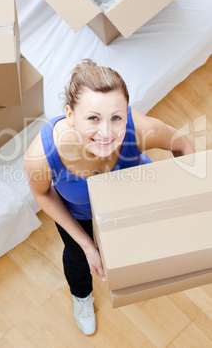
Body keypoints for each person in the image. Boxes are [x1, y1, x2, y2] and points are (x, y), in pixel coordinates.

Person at [23, 59, 195, 335]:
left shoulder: (137, 130)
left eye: (116, 117)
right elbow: (42, 194)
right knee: (78, 257)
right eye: (93, 118)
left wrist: (188, 199)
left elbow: (182, 144)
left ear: (126, 113)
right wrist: (89, 245)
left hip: (134, 196)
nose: (106, 133)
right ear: (70, 114)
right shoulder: (41, 157)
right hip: (82, 215)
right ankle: (81, 296)